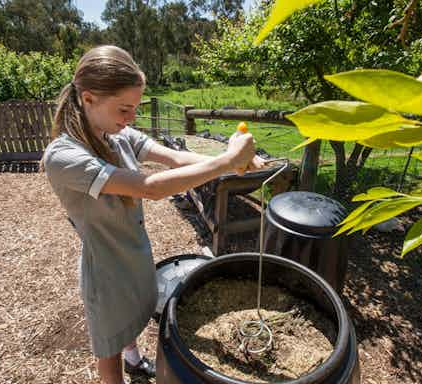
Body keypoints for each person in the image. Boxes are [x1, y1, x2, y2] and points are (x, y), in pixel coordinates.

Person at [42, 45, 266, 384]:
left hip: (134, 251)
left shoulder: (114, 132)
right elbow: (150, 187)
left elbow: (174, 159)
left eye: (135, 107)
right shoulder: (65, 156)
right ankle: (123, 364)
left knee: (131, 320)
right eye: (124, 108)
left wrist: (232, 159)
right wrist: (226, 161)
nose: (132, 117)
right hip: (106, 270)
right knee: (109, 351)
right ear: (88, 99)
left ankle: (135, 359)